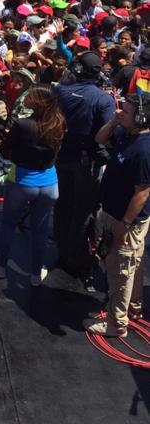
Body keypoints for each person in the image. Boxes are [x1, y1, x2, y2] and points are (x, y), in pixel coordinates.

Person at [0, 86, 65, 287]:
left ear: (38, 103)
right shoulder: (59, 122)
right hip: (49, 184)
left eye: (31, 96)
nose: (26, 97)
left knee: (9, 224)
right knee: (40, 230)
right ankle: (36, 274)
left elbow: (3, 151)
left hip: (23, 182)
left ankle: (0, 265)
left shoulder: (23, 124)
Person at [84, 93, 150, 337]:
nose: (120, 112)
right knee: (133, 263)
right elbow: (99, 139)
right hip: (115, 213)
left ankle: (116, 323)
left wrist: (124, 223)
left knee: (120, 269)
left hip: (125, 220)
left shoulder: (144, 150)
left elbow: (142, 193)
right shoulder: (126, 133)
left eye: (126, 111)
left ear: (141, 117)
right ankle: (133, 306)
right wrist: (114, 121)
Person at [48, 51, 115, 289]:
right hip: (88, 164)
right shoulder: (103, 99)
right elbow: (111, 134)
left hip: (62, 158)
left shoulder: (60, 91)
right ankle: (77, 261)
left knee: (63, 205)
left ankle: (63, 252)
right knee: (83, 213)